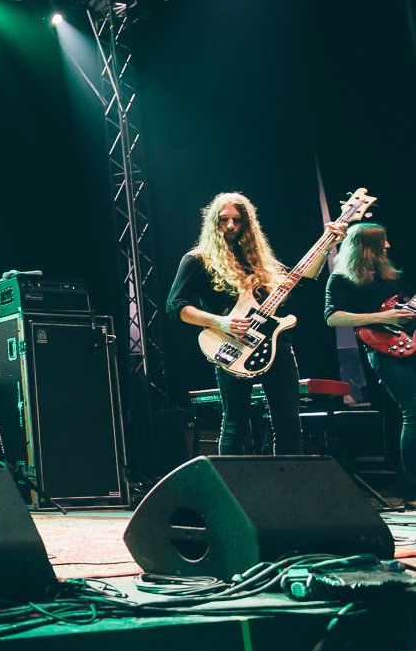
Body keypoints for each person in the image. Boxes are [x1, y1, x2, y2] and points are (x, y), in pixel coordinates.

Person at [167, 192, 344, 455]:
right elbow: (176, 305)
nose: (230, 226)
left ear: (247, 223)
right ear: (213, 222)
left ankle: (284, 488)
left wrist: (328, 244)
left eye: (236, 220)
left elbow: (301, 282)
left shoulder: (261, 261)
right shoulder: (197, 259)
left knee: (289, 424)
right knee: (235, 423)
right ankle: (231, 491)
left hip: (276, 344)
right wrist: (222, 322)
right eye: (223, 220)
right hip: (232, 345)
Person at [325, 223, 416, 508]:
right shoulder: (340, 279)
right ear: (365, 248)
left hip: (409, 342)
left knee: (400, 416)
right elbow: (332, 317)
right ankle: (413, 491)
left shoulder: (391, 277)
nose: (388, 247)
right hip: (384, 350)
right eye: (382, 242)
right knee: (413, 412)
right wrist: (378, 317)